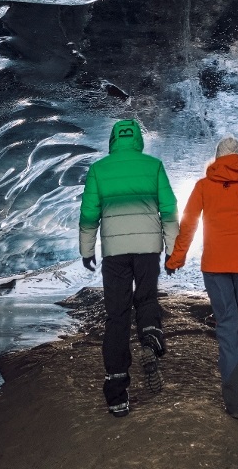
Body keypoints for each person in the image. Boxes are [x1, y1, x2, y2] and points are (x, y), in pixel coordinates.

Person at [164, 136, 238, 420]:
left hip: (214, 266)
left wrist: (176, 259)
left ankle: (237, 404)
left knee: (227, 327)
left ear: (217, 157)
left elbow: (188, 224)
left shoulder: (203, 186)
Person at [79, 118, 179, 417]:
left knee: (117, 316)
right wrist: (173, 251)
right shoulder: (154, 166)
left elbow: (88, 213)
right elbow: (169, 210)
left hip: (115, 253)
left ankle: (117, 393)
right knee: (146, 298)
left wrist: (87, 250)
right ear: (137, 140)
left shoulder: (99, 169)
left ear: (113, 140)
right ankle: (150, 334)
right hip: (148, 249)